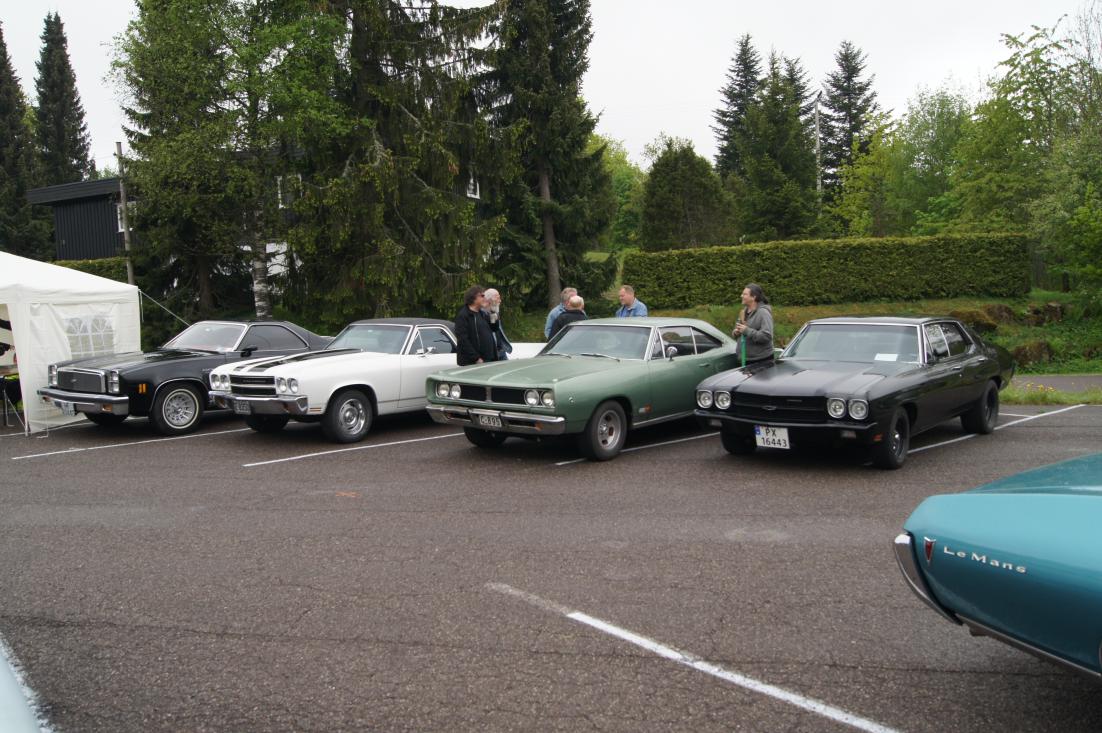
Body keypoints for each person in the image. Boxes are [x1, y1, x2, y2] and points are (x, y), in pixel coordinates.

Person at [454, 285, 498, 366]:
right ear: (473, 297)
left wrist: (492, 312)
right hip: (474, 362)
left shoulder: (482, 314)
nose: (485, 298)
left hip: (488, 360)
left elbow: (494, 328)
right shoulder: (463, 315)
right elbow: (463, 340)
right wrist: (476, 358)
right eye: (482, 295)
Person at [732, 283, 774, 365]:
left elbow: (767, 336)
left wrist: (747, 331)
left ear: (753, 297)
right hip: (744, 359)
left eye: (745, 294)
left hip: (761, 360)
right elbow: (737, 331)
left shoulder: (763, 313)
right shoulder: (743, 311)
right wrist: (736, 332)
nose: (741, 296)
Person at [482, 288, 513, 361]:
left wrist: (493, 312)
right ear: (490, 299)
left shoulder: (494, 311)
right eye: (497, 298)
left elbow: (495, 328)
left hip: (501, 351)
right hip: (492, 353)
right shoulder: (482, 313)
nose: (500, 301)